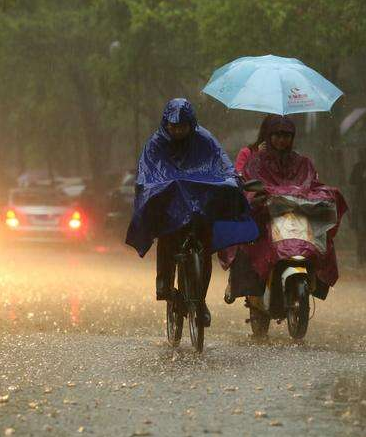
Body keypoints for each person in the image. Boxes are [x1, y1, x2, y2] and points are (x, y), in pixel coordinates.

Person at [126, 98, 253, 327]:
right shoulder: (156, 143)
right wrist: (153, 187)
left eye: (182, 127)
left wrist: (232, 178)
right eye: (174, 127)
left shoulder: (204, 139)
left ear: (191, 124)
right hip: (170, 209)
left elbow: (222, 162)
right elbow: (147, 172)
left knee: (204, 251)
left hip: (199, 208)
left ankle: (200, 300)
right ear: (166, 124)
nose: (178, 131)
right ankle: (164, 286)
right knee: (167, 238)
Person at [221, 114, 347, 303]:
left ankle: (315, 280)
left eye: (286, 136)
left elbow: (312, 184)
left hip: (297, 216)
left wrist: (323, 194)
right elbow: (247, 183)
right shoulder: (256, 161)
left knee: (322, 241)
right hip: (267, 217)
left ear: (293, 138)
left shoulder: (303, 162)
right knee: (247, 242)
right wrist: (256, 197)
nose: (281, 140)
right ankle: (245, 284)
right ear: (269, 135)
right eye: (277, 135)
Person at [349, 148, 366, 264]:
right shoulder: (358, 167)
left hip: (360, 203)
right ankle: (361, 256)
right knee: (360, 231)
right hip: (360, 203)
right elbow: (352, 181)